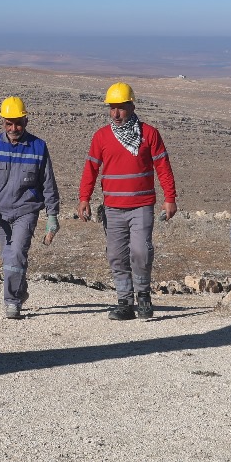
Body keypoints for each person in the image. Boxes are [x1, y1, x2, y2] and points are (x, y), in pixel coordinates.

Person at [77, 82, 178, 320]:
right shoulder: (101, 136)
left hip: (141, 206)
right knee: (116, 254)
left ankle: (143, 298)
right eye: (112, 108)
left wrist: (170, 198)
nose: (116, 114)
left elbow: (163, 167)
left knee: (141, 251)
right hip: (113, 208)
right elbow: (91, 169)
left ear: (132, 106)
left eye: (121, 108)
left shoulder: (149, 134)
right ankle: (124, 302)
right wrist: (84, 198)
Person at [0, 96, 60, 319]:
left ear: (26, 121)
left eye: (18, 123)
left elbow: (48, 183)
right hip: (0, 212)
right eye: (9, 123)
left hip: (26, 210)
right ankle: (20, 291)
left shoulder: (38, 147)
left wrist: (52, 215)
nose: (14, 128)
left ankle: (12, 302)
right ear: (3, 122)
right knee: (9, 257)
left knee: (16, 253)